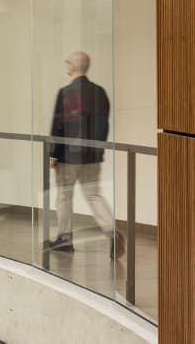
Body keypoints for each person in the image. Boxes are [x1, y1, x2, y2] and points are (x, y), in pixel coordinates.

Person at [45, 52, 124, 259]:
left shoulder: (66, 92)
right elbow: (104, 124)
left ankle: (64, 239)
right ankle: (112, 231)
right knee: (94, 195)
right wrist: (98, 150)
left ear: (73, 66)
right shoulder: (100, 92)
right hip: (92, 154)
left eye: (68, 62)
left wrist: (53, 153)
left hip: (69, 155)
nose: (66, 64)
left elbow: (58, 125)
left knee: (64, 196)